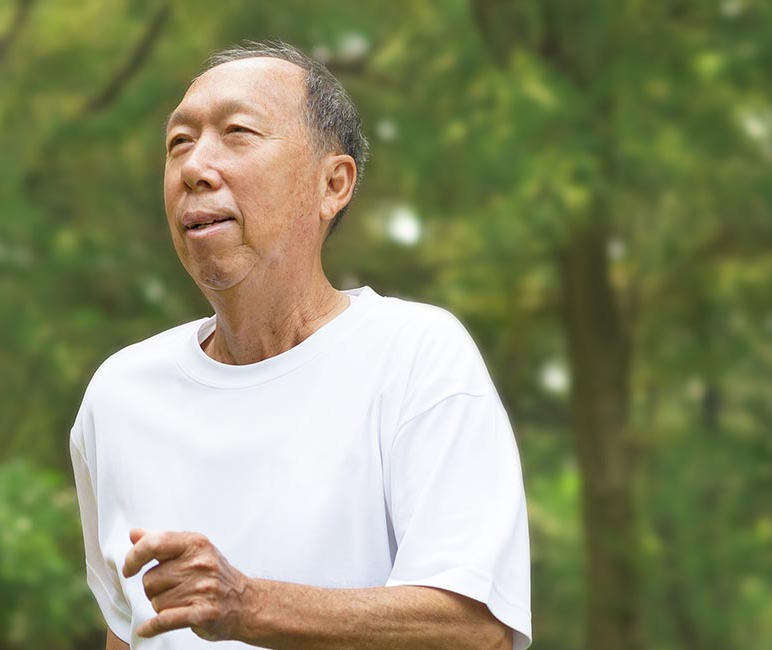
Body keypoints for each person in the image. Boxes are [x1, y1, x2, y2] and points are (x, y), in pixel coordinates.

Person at [69, 41, 532, 649]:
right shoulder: (119, 395)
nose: (194, 167)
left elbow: (477, 629)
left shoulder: (417, 355)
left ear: (332, 184)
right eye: (179, 141)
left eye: (237, 133)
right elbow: (128, 630)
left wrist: (247, 605)